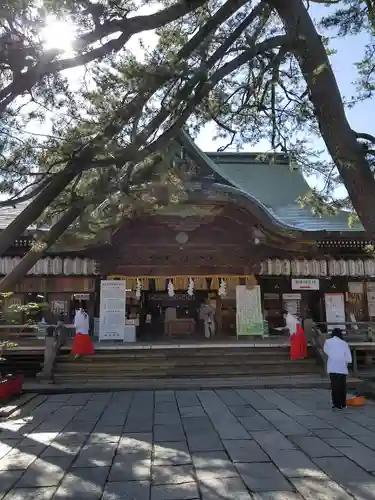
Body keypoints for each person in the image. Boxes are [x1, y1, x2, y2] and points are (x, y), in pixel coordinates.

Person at [324, 328, 352, 410]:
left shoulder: (328, 342)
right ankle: (342, 404)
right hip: (341, 367)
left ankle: (335, 403)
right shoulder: (344, 343)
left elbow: (326, 351)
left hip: (332, 367)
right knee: (342, 386)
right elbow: (349, 359)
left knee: (334, 386)